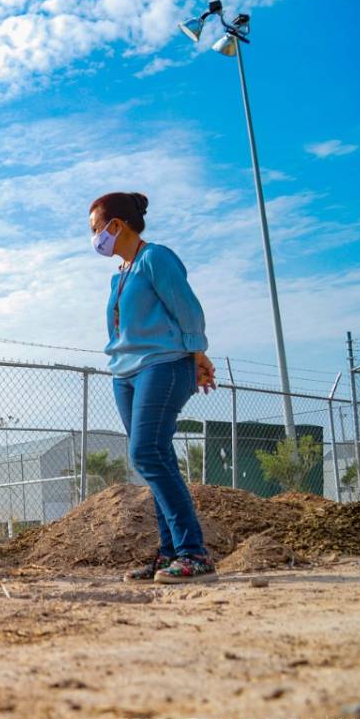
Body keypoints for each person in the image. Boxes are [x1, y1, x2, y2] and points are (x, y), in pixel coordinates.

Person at [89, 192, 218, 584]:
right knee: (152, 457)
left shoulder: (155, 258)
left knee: (146, 451)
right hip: (124, 372)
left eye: (96, 229)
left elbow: (187, 309)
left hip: (162, 366)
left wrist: (197, 354)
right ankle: (168, 554)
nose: (94, 238)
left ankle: (193, 553)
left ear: (117, 225)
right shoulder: (122, 273)